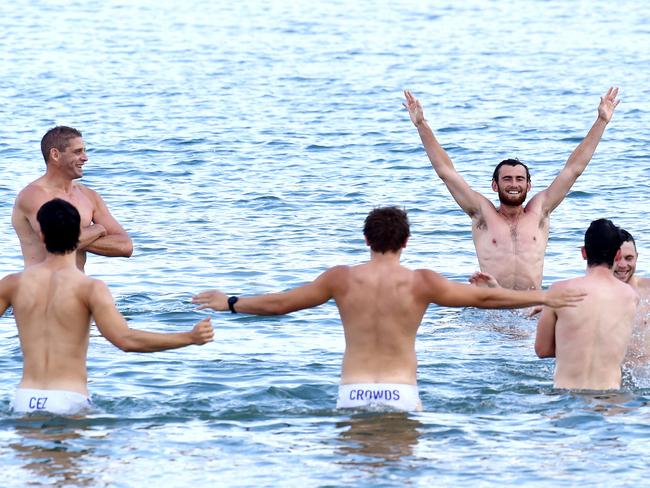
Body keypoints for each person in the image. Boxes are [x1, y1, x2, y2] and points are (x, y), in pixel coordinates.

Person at [193, 206, 584, 412]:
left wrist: (230, 303)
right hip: (401, 393)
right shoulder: (421, 282)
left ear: (366, 239)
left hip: (353, 391)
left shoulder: (340, 279)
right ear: (407, 241)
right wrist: (543, 297)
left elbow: (280, 305)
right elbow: (485, 298)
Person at [0, 199, 214, 416]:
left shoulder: (12, 284)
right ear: (78, 237)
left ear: (42, 236)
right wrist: (189, 337)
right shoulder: (90, 288)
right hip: (69, 399)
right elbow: (125, 340)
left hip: (24, 399)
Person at [404, 88, 620, 290]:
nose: (514, 184)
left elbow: (573, 169)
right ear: (495, 185)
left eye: (519, 179)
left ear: (528, 185)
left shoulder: (540, 211)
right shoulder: (482, 214)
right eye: (507, 179)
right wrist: (421, 124)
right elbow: (446, 172)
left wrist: (601, 121)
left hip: (530, 309)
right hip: (492, 308)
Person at [534, 219, 638, 390]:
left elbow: (542, 350)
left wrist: (572, 342)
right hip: (611, 401)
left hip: (566, 398)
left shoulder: (559, 290)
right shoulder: (630, 297)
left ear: (584, 253)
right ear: (618, 255)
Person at [12, 126, 133, 271]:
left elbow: (125, 246)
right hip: (41, 290)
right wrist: (97, 229)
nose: (85, 158)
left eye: (84, 151)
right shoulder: (33, 195)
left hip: (78, 290)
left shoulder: (89, 196)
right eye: (77, 152)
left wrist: (72, 238)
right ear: (55, 155)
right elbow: (56, 245)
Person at [614, 230, 650, 367]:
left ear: (637, 257)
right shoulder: (594, 296)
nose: (623, 265)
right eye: (616, 259)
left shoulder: (648, 290)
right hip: (610, 380)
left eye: (629, 258)